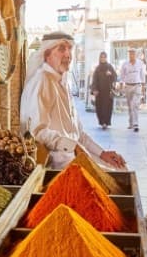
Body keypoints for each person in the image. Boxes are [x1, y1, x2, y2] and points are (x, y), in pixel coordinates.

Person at [20, 32, 126, 170]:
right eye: (61, 49)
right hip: (57, 163)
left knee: (119, 167)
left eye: (69, 49)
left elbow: (78, 134)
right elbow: (37, 133)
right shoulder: (42, 81)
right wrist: (72, 146)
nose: (68, 55)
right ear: (47, 55)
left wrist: (102, 153)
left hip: (75, 155)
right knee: (114, 173)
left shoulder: (63, 82)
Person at [118, 48, 146, 131]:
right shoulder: (125, 64)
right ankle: (131, 123)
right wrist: (121, 85)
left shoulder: (140, 63)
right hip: (128, 86)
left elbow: (142, 75)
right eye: (130, 53)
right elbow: (122, 75)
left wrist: (143, 86)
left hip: (137, 86)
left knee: (135, 105)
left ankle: (135, 124)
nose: (131, 55)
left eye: (133, 53)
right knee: (130, 106)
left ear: (136, 54)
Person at [90, 51, 117, 128]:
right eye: (101, 57)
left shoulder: (109, 67)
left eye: (104, 57)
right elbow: (94, 80)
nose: (103, 58)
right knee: (99, 107)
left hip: (108, 91)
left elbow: (115, 76)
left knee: (107, 107)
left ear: (106, 58)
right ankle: (102, 122)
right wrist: (94, 89)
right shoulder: (97, 68)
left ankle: (106, 122)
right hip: (99, 91)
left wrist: (110, 74)